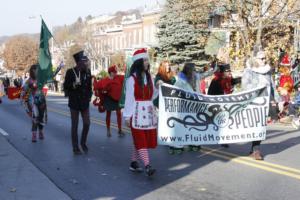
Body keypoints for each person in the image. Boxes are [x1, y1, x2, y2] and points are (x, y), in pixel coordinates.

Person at [123, 48, 157, 176]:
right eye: (145, 60)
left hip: (148, 113)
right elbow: (129, 99)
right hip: (136, 113)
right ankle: (148, 166)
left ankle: (134, 162)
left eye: (148, 60)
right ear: (139, 62)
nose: (148, 62)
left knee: (141, 139)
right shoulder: (131, 80)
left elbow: (152, 96)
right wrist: (127, 116)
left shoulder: (149, 77)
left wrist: (158, 87)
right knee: (140, 139)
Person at [241, 50, 279, 160]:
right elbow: (245, 87)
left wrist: (277, 100)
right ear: (255, 59)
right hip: (254, 101)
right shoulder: (249, 71)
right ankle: (255, 149)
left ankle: (255, 150)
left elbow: (272, 86)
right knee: (255, 125)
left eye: (265, 58)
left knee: (261, 125)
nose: (264, 60)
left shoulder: (267, 71)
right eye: (261, 58)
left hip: (265, 102)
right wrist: (258, 87)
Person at [63, 50, 92, 155]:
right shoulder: (70, 72)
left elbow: (89, 87)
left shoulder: (88, 72)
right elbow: (65, 87)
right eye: (84, 61)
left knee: (87, 123)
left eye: (86, 61)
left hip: (84, 102)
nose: (86, 63)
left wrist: (89, 97)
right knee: (74, 125)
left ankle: (83, 142)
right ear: (79, 62)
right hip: (74, 102)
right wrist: (74, 85)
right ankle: (75, 147)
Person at [20, 64, 47, 142]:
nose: (36, 71)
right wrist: (21, 98)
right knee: (35, 118)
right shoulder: (29, 80)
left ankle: (41, 132)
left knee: (41, 118)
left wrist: (59, 67)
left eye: (37, 70)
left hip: (41, 101)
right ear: (32, 71)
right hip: (32, 102)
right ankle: (34, 135)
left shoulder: (41, 79)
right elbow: (24, 90)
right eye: (34, 70)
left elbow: (50, 77)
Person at [103, 65, 124, 137]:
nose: (115, 73)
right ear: (110, 72)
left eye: (116, 72)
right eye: (114, 72)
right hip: (109, 99)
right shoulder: (106, 79)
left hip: (117, 98)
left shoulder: (118, 78)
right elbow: (102, 87)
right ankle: (108, 130)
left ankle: (120, 130)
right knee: (108, 114)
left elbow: (126, 78)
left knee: (119, 113)